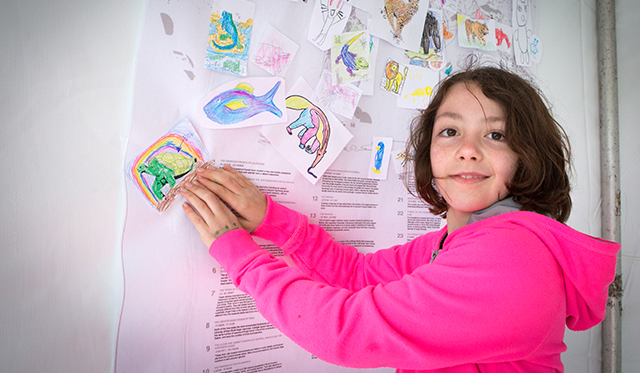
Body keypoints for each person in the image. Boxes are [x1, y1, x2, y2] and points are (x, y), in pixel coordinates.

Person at [180, 66, 620, 372]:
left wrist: (240, 255)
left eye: (496, 134)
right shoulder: (452, 241)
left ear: (527, 155)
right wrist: (269, 219)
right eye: (450, 131)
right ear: (429, 148)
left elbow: (345, 332)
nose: (468, 149)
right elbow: (358, 274)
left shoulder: (513, 256)